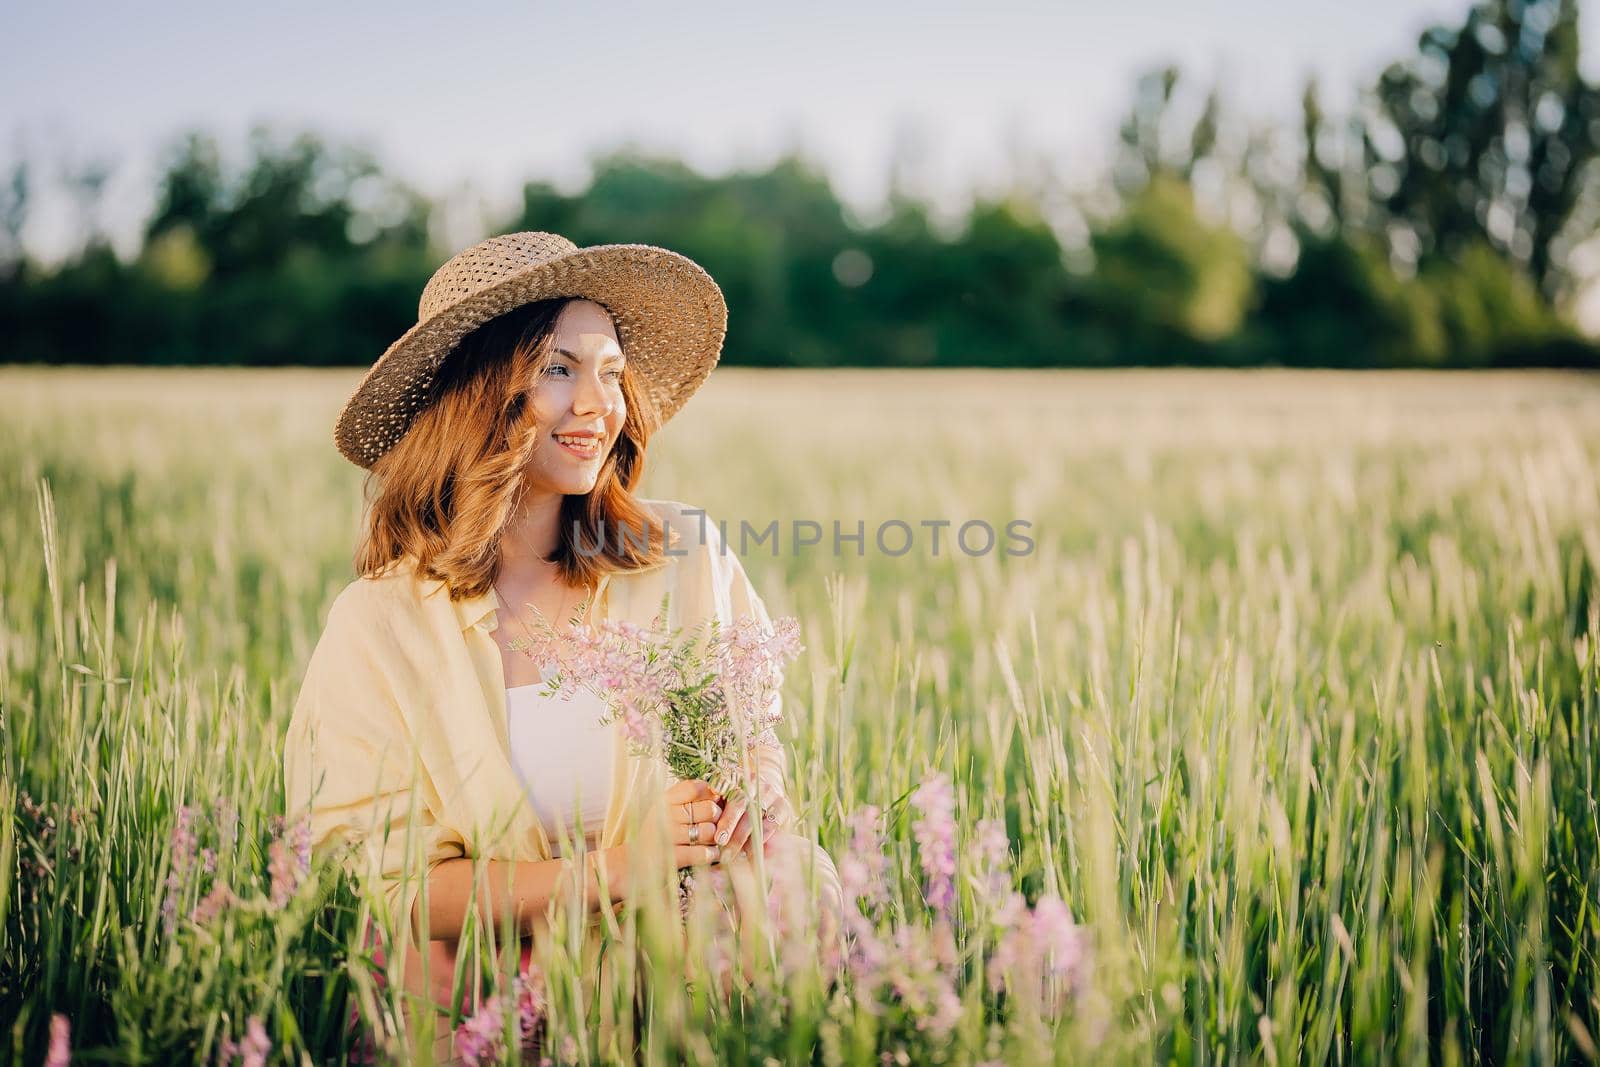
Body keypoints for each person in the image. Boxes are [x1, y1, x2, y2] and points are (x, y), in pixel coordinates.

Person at [283, 231, 843, 1060]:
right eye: (558, 368)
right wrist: (618, 869)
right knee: (427, 968)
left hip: (684, 958)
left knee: (787, 887)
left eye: (610, 370)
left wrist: (736, 802)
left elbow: (754, 739)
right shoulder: (382, 624)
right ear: (478, 390)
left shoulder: (683, 552)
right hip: (491, 981)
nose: (599, 403)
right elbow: (391, 887)